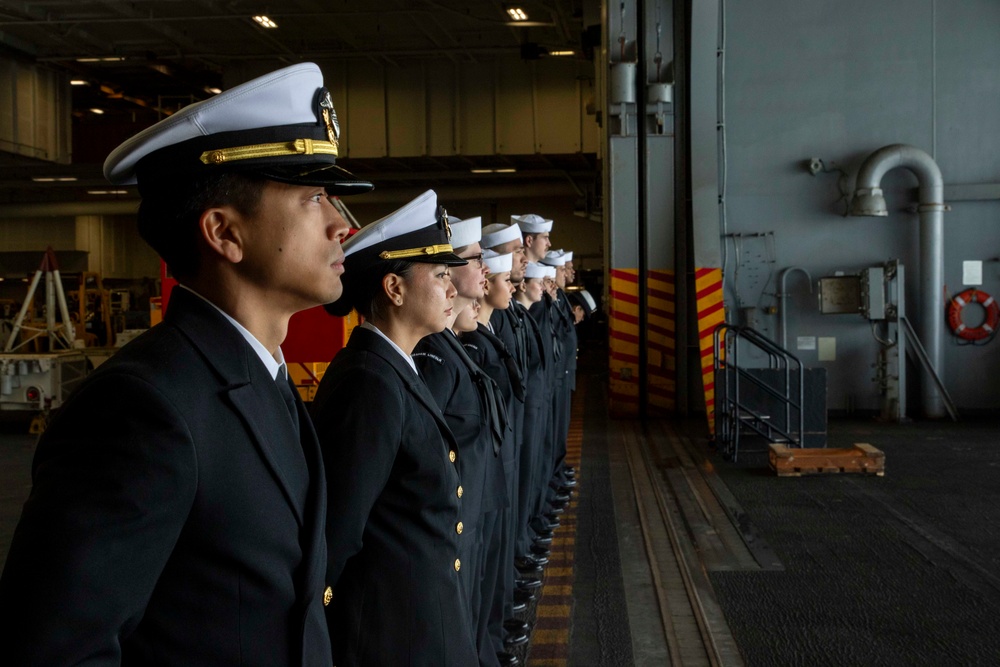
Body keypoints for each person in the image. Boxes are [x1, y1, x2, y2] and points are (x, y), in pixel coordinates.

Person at [0, 62, 372, 665]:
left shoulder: (262, 378)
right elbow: (57, 649)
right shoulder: (144, 408)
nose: (341, 227)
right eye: (313, 200)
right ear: (225, 233)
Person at [310, 190, 479, 667]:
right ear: (394, 289)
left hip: (424, 625)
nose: (453, 289)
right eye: (441, 275)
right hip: (393, 639)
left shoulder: (395, 369)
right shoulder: (369, 382)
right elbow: (337, 536)